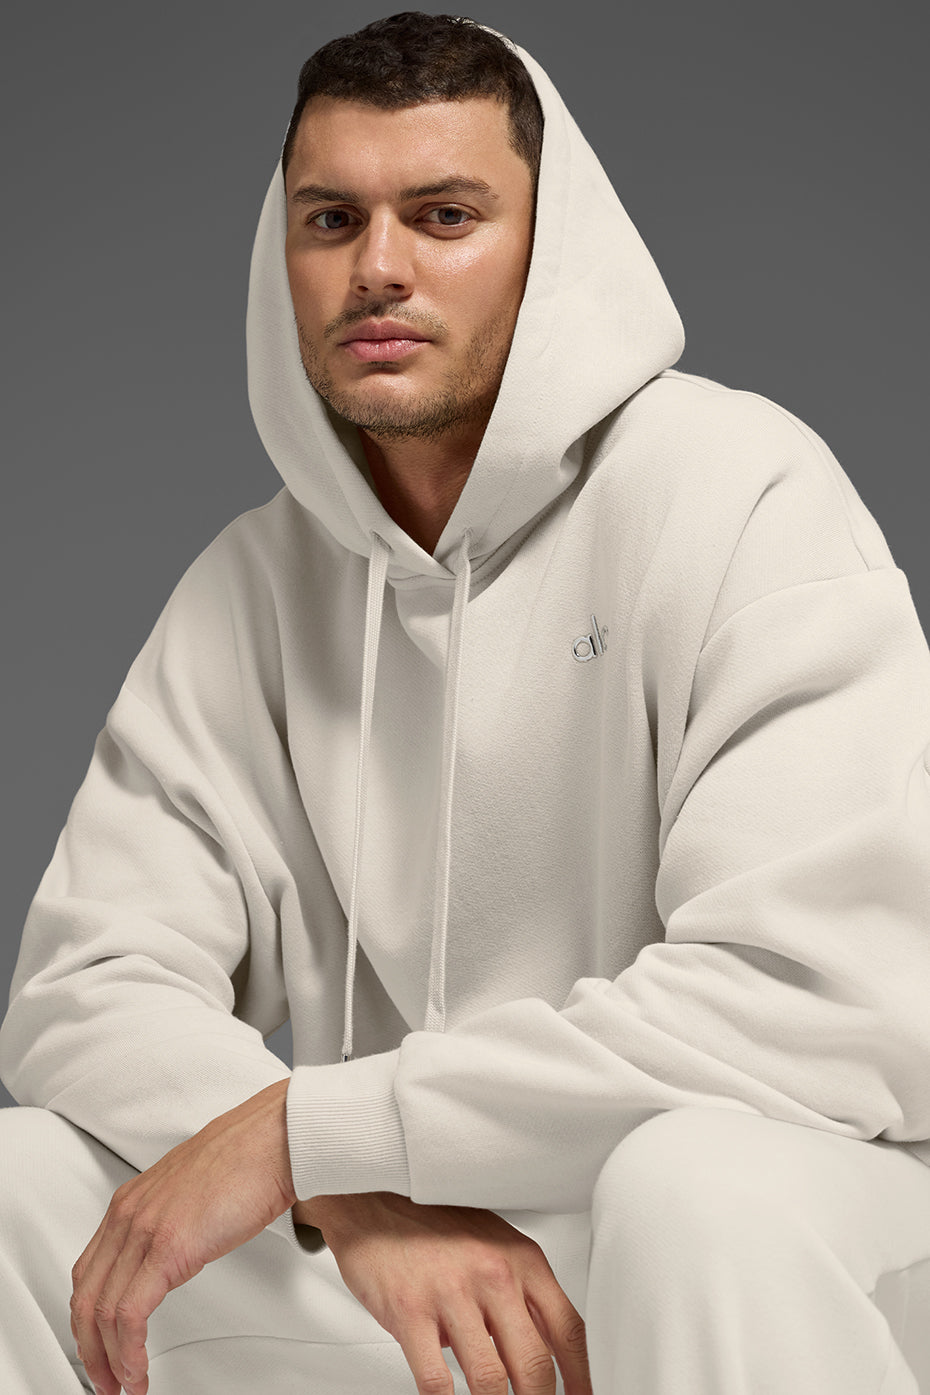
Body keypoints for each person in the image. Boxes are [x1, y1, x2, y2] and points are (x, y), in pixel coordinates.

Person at [2, 10, 930, 1394]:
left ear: (549, 250)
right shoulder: (255, 584)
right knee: (21, 1184)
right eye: (331, 220)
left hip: (770, 1235)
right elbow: (84, 989)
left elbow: (816, 1005)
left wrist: (310, 1135)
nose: (377, 267)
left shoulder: (742, 495)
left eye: (443, 216)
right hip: (429, 1271)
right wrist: (352, 1189)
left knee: (695, 1192)